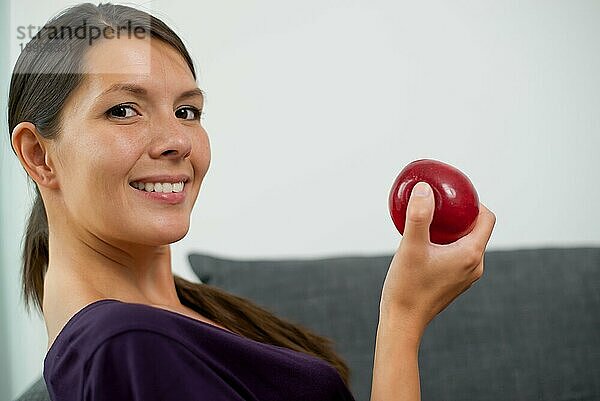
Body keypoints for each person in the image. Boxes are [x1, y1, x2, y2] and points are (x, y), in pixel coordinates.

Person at [8, 3, 496, 401]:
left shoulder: (187, 315)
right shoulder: (127, 345)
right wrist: (403, 319)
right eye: (123, 110)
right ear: (39, 155)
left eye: (186, 111)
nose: (176, 139)